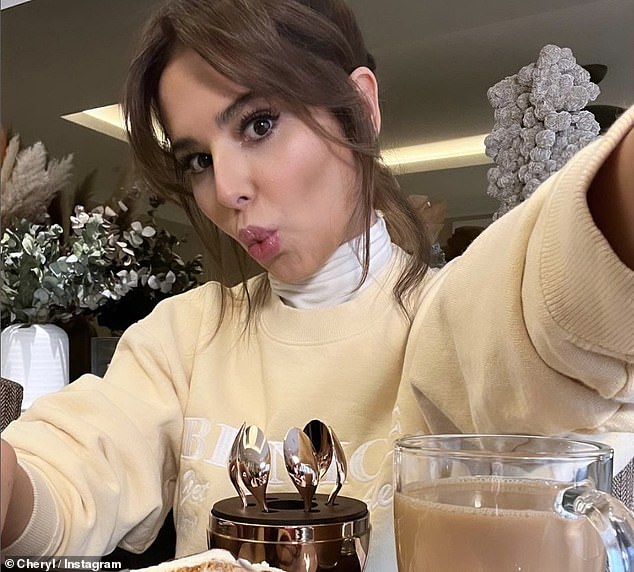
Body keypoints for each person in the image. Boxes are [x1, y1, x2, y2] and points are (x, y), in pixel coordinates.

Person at [2, 0, 633, 569]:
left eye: (258, 124)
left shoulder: (445, 315)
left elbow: (543, 307)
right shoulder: (185, 334)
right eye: (198, 159)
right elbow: (69, 476)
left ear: (359, 108)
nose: (226, 190)